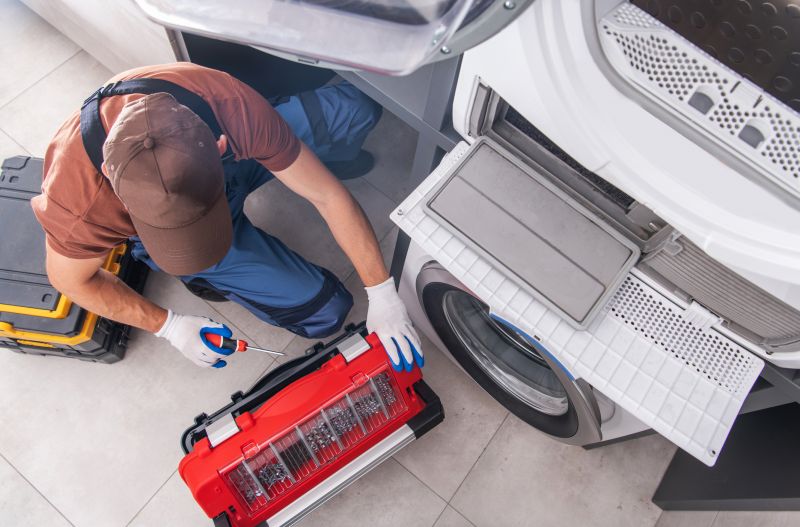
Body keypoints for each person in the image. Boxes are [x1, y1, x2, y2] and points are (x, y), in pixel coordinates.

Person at [32, 62, 423, 371]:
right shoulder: (78, 205)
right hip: (191, 179)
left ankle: (307, 161)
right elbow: (71, 282)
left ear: (220, 144)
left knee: (356, 108)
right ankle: (202, 272)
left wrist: (382, 292)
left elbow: (327, 196)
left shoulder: (227, 106)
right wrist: (168, 326)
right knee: (325, 312)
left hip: (231, 159)